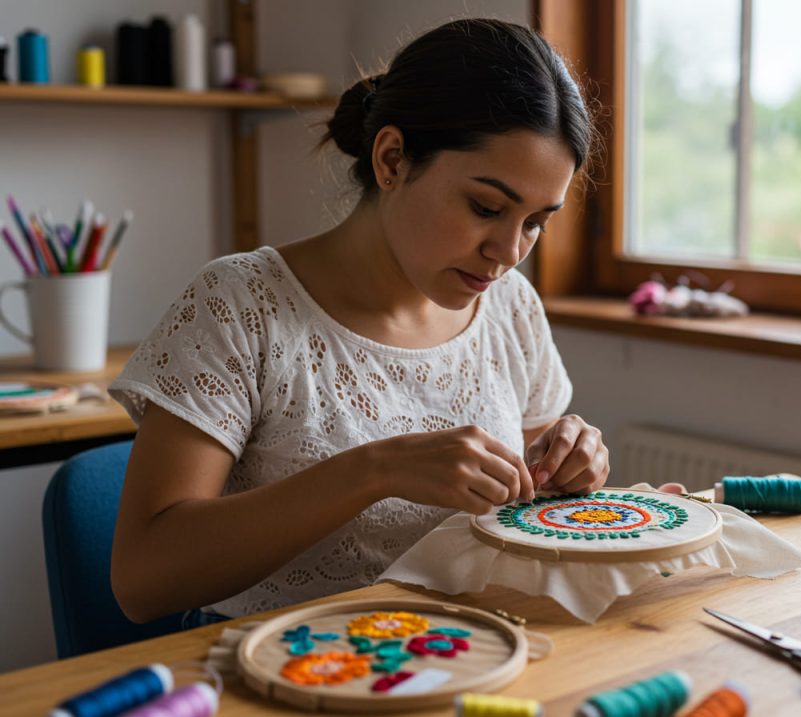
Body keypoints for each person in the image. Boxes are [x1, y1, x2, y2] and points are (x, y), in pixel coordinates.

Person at [108, 18, 610, 626]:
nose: (508, 252)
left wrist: (573, 468)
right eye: (486, 207)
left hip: (471, 655)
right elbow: (142, 580)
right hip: (285, 675)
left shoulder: (510, 306)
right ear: (392, 159)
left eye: (536, 221)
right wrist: (375, 471)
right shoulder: (239, 305)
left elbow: (538, 499)